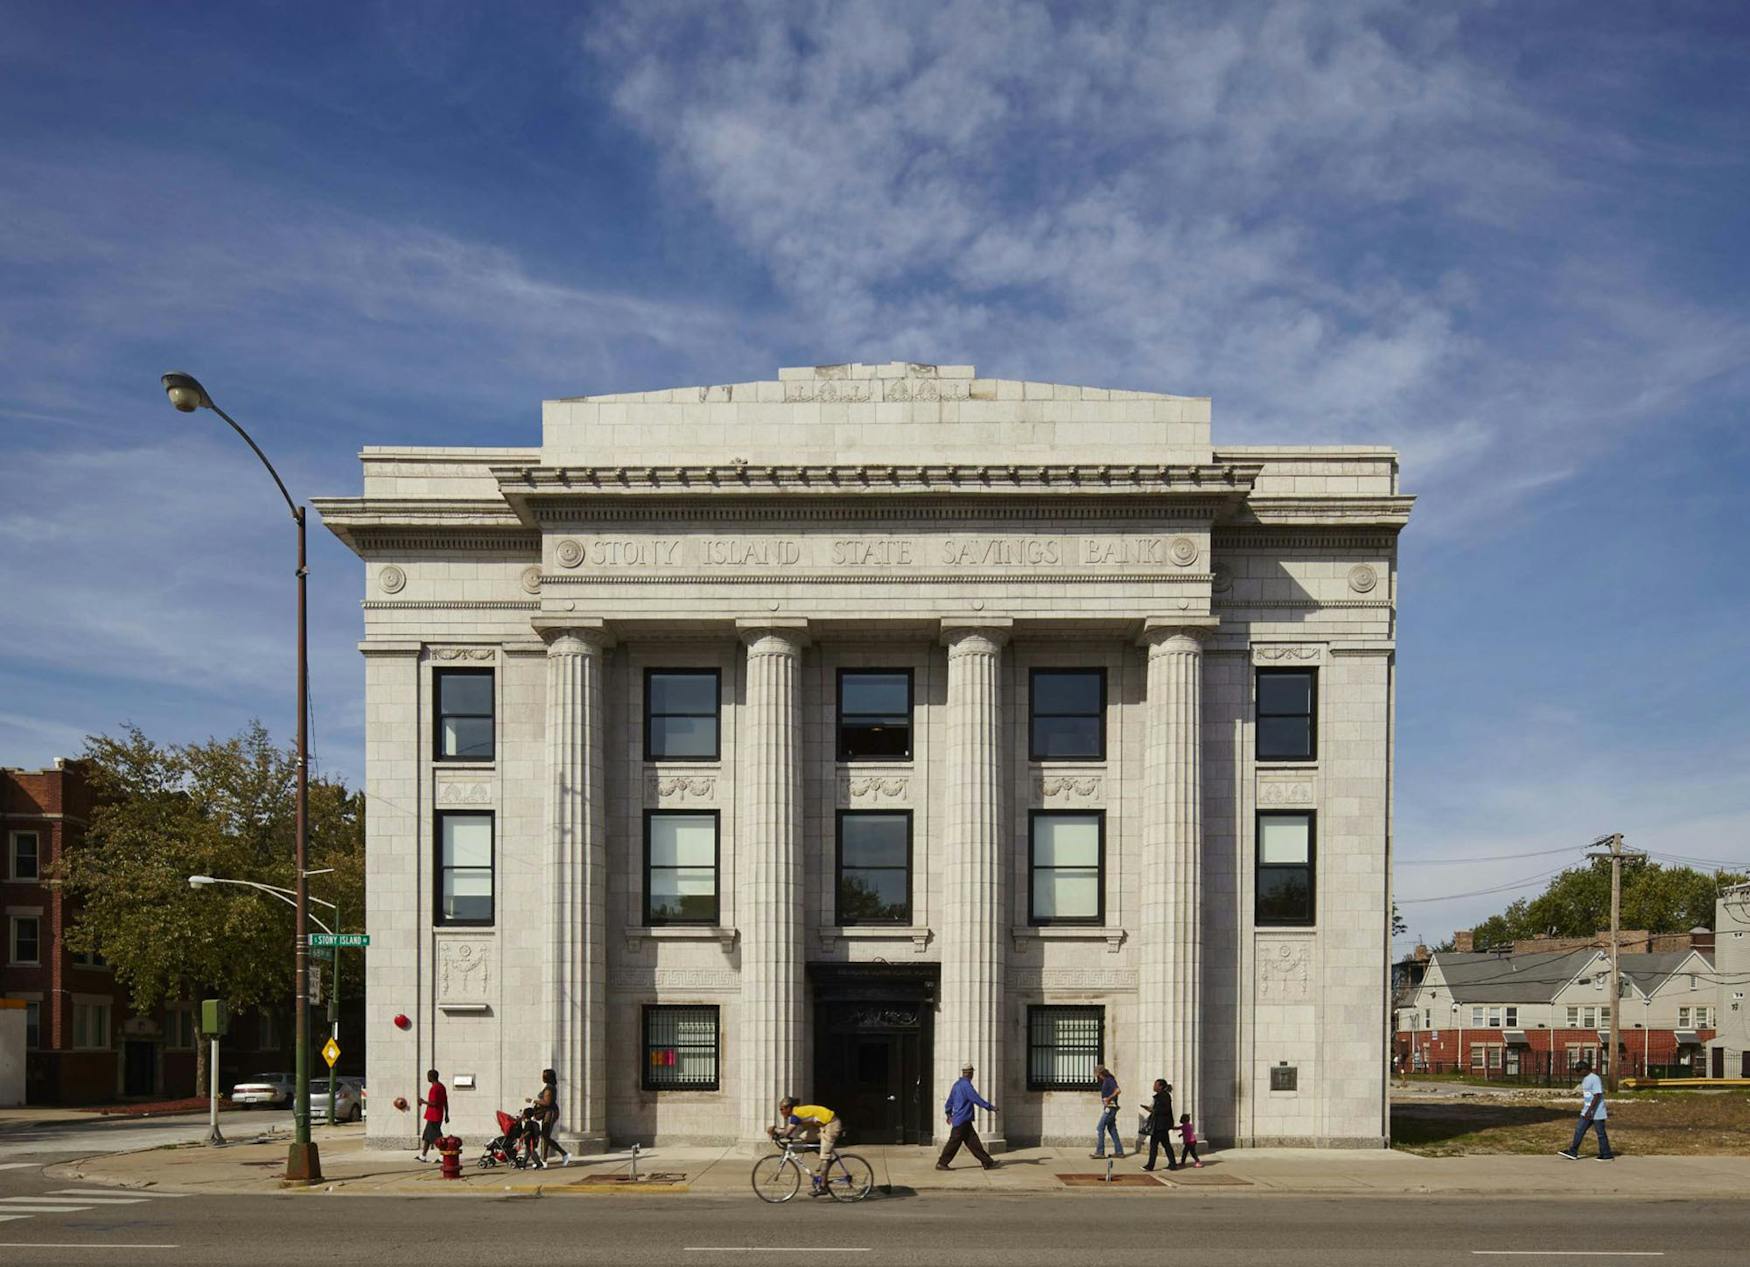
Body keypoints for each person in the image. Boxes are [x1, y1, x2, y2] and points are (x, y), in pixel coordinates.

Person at [769, 1097, 843, 1195]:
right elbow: (789, 1130)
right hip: (822, 1125)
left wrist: (775, 1130)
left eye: (782, 1109)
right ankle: (821, 1154)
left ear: (788, 1108)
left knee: (825, 1156)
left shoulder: (796, 1115)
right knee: (803, 1137)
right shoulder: (796, 1113)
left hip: (831, 1124)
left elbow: (787, 1132)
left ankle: (823, 1186)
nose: (781, 1111)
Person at [937, 1062, 999, 1171]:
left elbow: (949, 1101)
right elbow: (976, 1099)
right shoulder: (967, 1086)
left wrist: (948, 1113)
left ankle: (987, 1162)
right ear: (970, 1073)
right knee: (953, 1143)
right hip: (962, 1119)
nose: (972, 1075)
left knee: (974, 1143)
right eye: (972, 1073)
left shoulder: (956, 1085)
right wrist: (990, 1107)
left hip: (961, 1119)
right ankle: (942, 1163)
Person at [1558, 1058, 1615, 1160]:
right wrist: (1587, 1110)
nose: (1578, 1074)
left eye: (1579, 1071)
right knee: (1579, 1130)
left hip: (1597, 1111)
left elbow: (1597, 1095)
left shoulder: (1595, 1078)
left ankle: (1606, 1154)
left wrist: (1590, 1110)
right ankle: (1572, 1152)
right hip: (1587, 1111)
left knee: (1600, 1134)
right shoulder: (1585, 1079)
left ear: (1584, 1069)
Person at [525, 1067, 571, 1168]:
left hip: (550, 1113)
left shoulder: (549, 1088)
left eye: (544, 1075)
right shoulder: (549, 1087)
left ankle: (563, 1154)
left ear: (548, 1077)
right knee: (545, 1137)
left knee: (545, 1137)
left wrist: (533, 1101)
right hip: (547, 1113)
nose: (542, 1077)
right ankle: (544, 1160)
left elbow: (547, 1102)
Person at [1141, 1079, 1177, 1171]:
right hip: (1158, 1124)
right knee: (1164, 1145)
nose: (1154, 1086)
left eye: (1156, 1085)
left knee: (1157, 1145)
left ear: (1160, 1086)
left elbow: (1166, 1110)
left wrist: (1154, 1111)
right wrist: (1149, 1109)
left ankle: (1151, 1165)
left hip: (1161, 1125)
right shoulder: (1159, 1096)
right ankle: (1172, 1164)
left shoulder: (1165, 1096)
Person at [1090, 1064, 1123, 1159]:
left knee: (1100, 1128)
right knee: (1112, 1129)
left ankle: (1100, 1151)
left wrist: (1108, 1098)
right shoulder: (1107, 1080)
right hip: (1109, 1108)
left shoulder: (1109, 1080)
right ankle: (1119, 1151)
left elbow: (1118, 1090)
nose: (1098, 1077)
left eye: (1098, 1075)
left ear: (1101, 1073)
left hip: (1110, 1108)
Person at [416, 1068, 448, 1161]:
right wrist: (446, 1114)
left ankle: (443, 1155)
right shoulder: (442, 1086)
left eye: (428, 1076)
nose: (427, 1078)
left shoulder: (434, 1088)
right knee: (427, 1136)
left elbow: (434, 1103)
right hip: (437, 1115)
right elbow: (445, 1101)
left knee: (437, 1137)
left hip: (434, 1116)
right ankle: (423, 1156)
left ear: (431, 1077)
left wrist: (423, 1101)